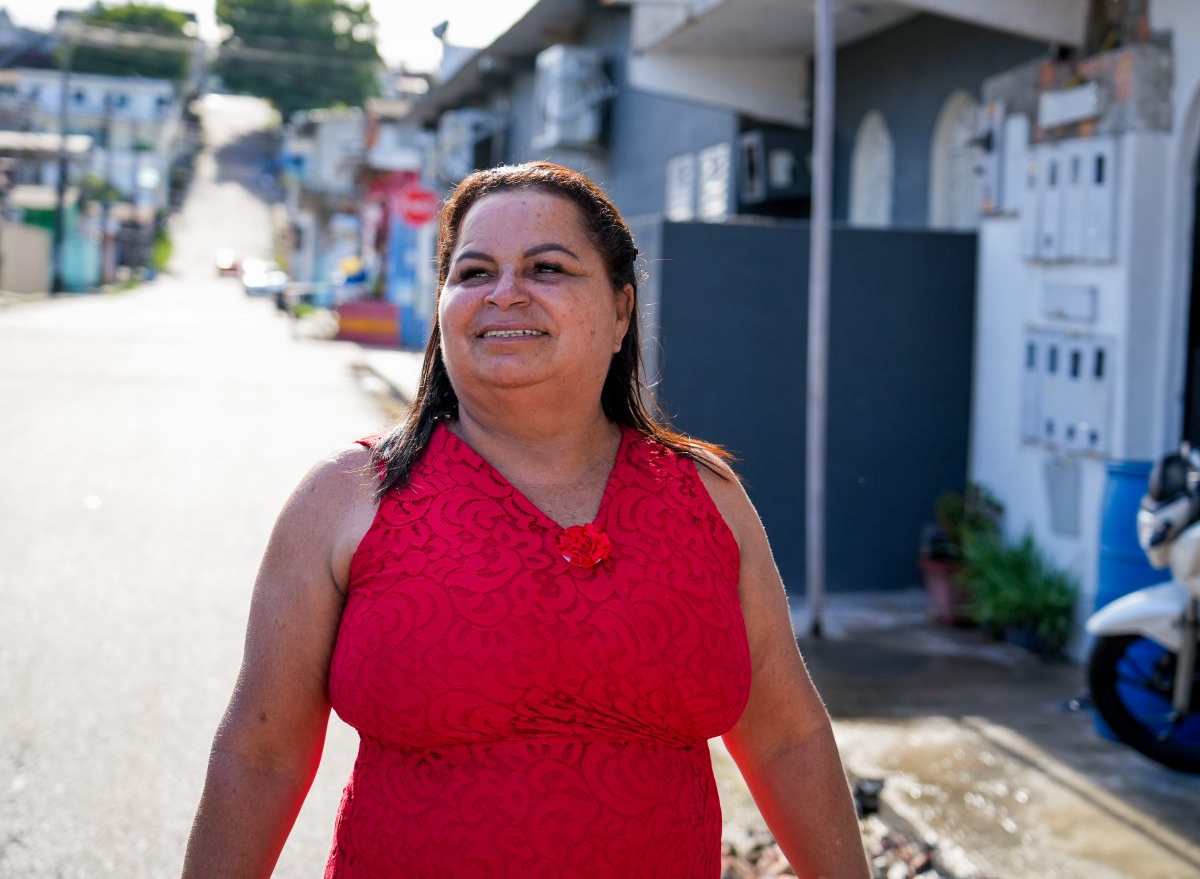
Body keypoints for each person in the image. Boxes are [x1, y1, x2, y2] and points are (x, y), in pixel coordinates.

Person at [182, 162, 869, 878]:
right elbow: (259, 756)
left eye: (547, 267)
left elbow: (788, 737)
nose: (505, 293)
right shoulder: (346, 498)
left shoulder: (708, 497)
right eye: (474, 272)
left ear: (621, 312)